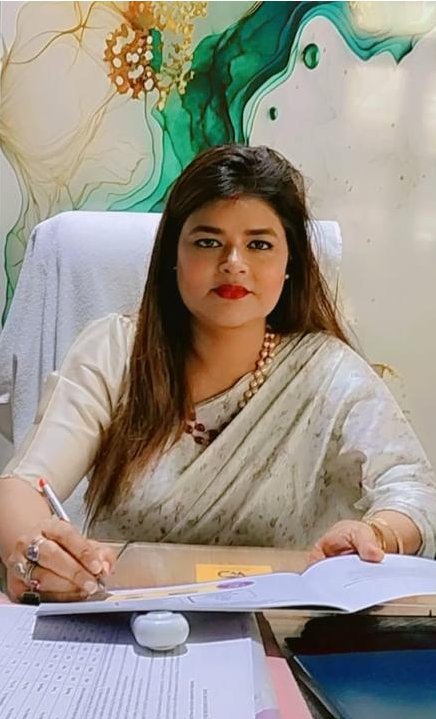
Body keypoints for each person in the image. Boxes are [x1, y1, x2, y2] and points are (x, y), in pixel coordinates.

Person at [0, 144, 435, 604]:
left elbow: (414, 491)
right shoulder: (114, 352)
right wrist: (34, 551)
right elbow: (25, 485)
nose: (233, 263)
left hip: (275, 622)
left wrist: (377, 534)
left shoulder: (326, 373)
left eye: (259, 244)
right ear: (173, 255)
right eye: (208, 242)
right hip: (122, 618)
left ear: (290, 263)